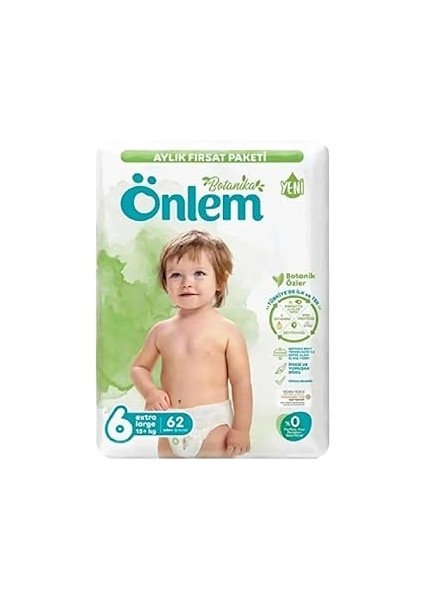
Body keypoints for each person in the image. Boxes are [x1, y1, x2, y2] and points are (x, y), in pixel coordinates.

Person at [131, 229, 253, 458]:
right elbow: (139, 368)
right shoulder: (161, 331)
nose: (186, 283)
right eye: (176, 275)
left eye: (199, 273)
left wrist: (241, 429)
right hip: (171, 422)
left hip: (213, 422)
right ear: (166, 283)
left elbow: (241, 383)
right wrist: (151, 392)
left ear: (220, 281)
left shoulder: (228, 331)